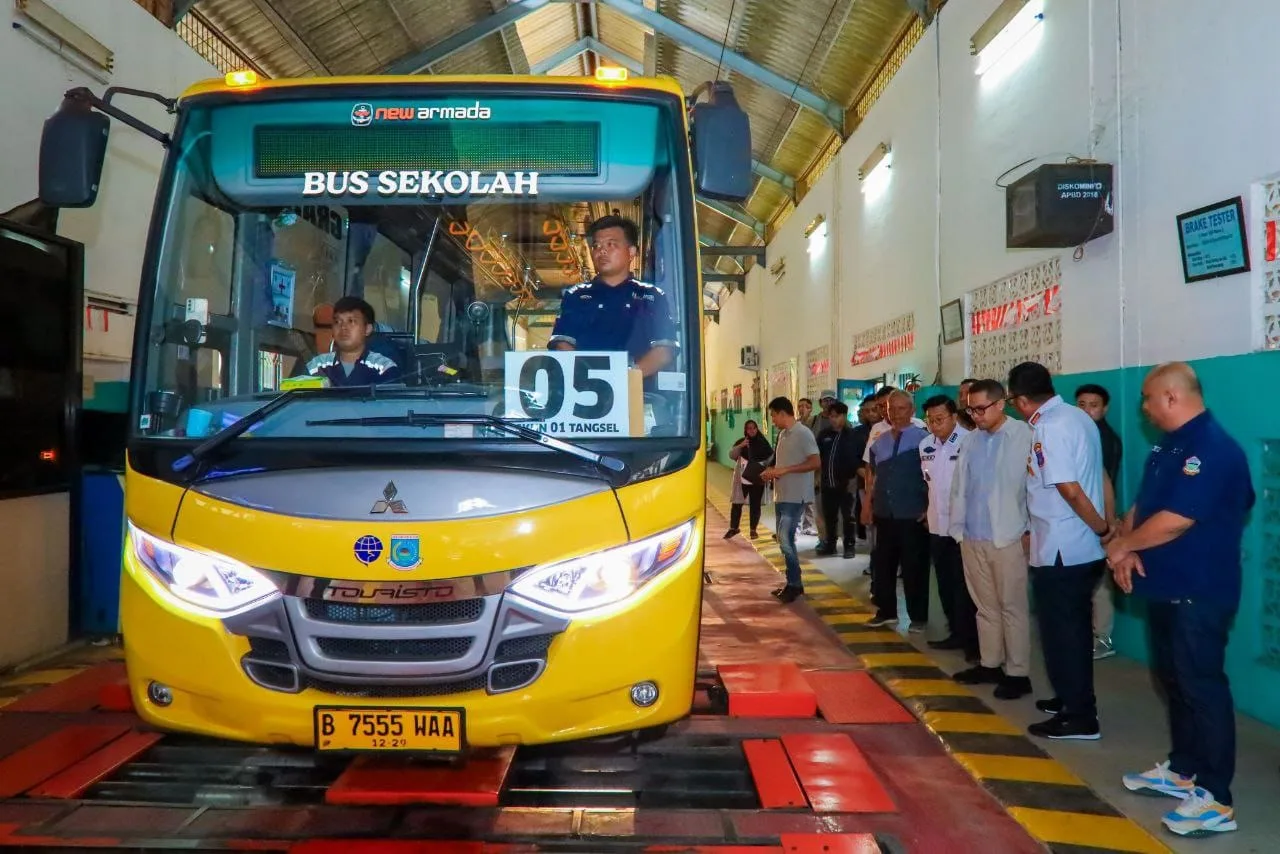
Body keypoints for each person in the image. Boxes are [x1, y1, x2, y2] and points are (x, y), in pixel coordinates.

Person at [1105, 363, 1252, 838]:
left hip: (1199, 589)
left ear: (1171, 397)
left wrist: (1125, 547)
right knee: (1173, 680)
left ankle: (1216, 797)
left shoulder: (1213, 448)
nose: (1144, 408)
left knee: (1201, 686)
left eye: (1148, 399)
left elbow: (1176, 519)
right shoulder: (1168, 446)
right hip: (1166, 587)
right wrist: (1125, 540)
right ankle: (1183, 769)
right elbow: (1145, 507)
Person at [1008, 361, 1109, 740]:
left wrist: (1101, 527)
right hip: (1073, 546)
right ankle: (1071, 699)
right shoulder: (1076, 417)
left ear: (1019, 399)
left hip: (1063, 549)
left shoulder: (1049, 428)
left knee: (1062, 634)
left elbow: (1068, 488)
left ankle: (1080, 717)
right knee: (1073, 632)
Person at [948, 380, 1033, 696]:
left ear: (1001, 404)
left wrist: (1029, 530)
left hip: (1008, 536)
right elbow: (960, 487)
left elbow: (1033, 488)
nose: (975, 415)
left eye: (981, 408)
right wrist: (958, 530)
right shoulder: (971, 440)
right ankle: (990, 663)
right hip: (972, 535)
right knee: (985, 606)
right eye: (970, 409)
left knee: (1012, 606)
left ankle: (1018, 672)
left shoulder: (1023, 436)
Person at [548, 214, 678, 378]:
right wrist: (593, 378)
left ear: (631, 252)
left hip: (638, 395)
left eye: (611, 244)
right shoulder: (576, 296)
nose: (601, 250)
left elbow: (664, 351)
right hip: (585, 393)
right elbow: (562, 344)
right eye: (596, 245)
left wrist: (624, 380)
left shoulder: (651, 296)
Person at [864, 391, 931, 631]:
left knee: (914, 568)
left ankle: (919, 617)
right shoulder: (879, 442)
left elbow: (934, 479)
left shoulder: (924, 439)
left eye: (903, 409)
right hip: (884, 513)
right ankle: (886, 611)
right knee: (883, 565)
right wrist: (867, 505)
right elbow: (872, 476)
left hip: (912, 514)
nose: (897, 414)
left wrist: (929, 507)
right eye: (892, 409)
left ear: (912, 411)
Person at [919, 395, 978, 661]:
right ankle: (955, 632)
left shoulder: (970, 442)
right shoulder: (925, 446)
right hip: (936, 527)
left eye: (940, 419)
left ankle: (972, 641)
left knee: (965, 587)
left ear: (954, 417)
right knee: (944, 584)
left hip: (963, 528)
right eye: (930, 420)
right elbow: (929, 484)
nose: (934, 424)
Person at [1076, 383, 1124, 660]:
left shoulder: (1105, 439)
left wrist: (1107, 523)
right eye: (1081, 404)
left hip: (1101, 520)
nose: (1086, 410)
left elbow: (1106, 485)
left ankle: (1102, 638)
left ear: (1104, 409)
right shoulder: (1082, 434)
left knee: (1100, 584)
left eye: (1093, 405)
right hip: (1084, 518)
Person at [760, 397, 820, 603]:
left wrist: (785, 470)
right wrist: (773, 471)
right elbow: (783, 463)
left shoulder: (803, 433)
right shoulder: (783, 435)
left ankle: (794, 584)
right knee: (783, 540)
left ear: (783, 413)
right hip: (782, 494)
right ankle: (794, 583)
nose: (773, 420)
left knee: (785, 540)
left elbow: (815, 462)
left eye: (773, 416)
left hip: (796, 496)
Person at [300, 296, 402, 386]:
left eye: (351, 321)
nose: (343, 327)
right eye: (337, 322)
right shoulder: (316, 366)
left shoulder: (384, 367)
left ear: (367, 329)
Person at [816, 401, 860, 558]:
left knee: (848, 517)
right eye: (831, 416)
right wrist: (817, 478)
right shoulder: (824, 435)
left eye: (837, 416)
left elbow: (857, 460)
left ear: (844, 415)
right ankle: (831, 545)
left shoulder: (852, 435)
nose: (834, 419)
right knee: (830, 516)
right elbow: (818, 458)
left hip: (846, 484)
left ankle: (849, 546)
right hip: (827, 483)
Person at [726, 419, 772, 540]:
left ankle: (753, 530)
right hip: (742, 478)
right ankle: (733, 528)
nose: (751, 430)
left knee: (755, 505)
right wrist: (741, 445)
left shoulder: (763, 443)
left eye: (754, 428)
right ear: (745, 430)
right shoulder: (742, 442)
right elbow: (732, 455)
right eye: (749, 428)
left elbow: (770, 458)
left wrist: (765, 468)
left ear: (757, 429)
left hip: (757, 477)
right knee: (737, 503)